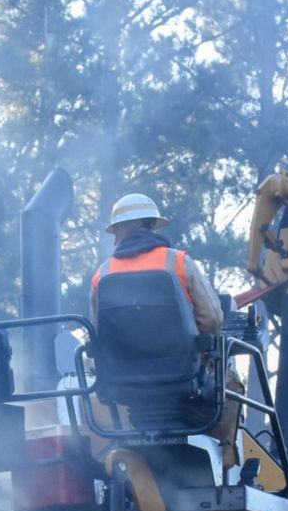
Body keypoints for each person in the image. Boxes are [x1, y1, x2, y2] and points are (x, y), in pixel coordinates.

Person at [90, 191, 237, 447]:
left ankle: (130, 448)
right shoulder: (179, 262)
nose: (115, 238)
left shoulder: (103, 274)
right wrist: (201, 355)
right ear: (149, 225)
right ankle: (225, 458)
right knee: (232, 383)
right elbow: (212, 319)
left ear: (127, 227)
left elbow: (98, 332)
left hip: (123, 382)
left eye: (116, 231)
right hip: (182, 374)